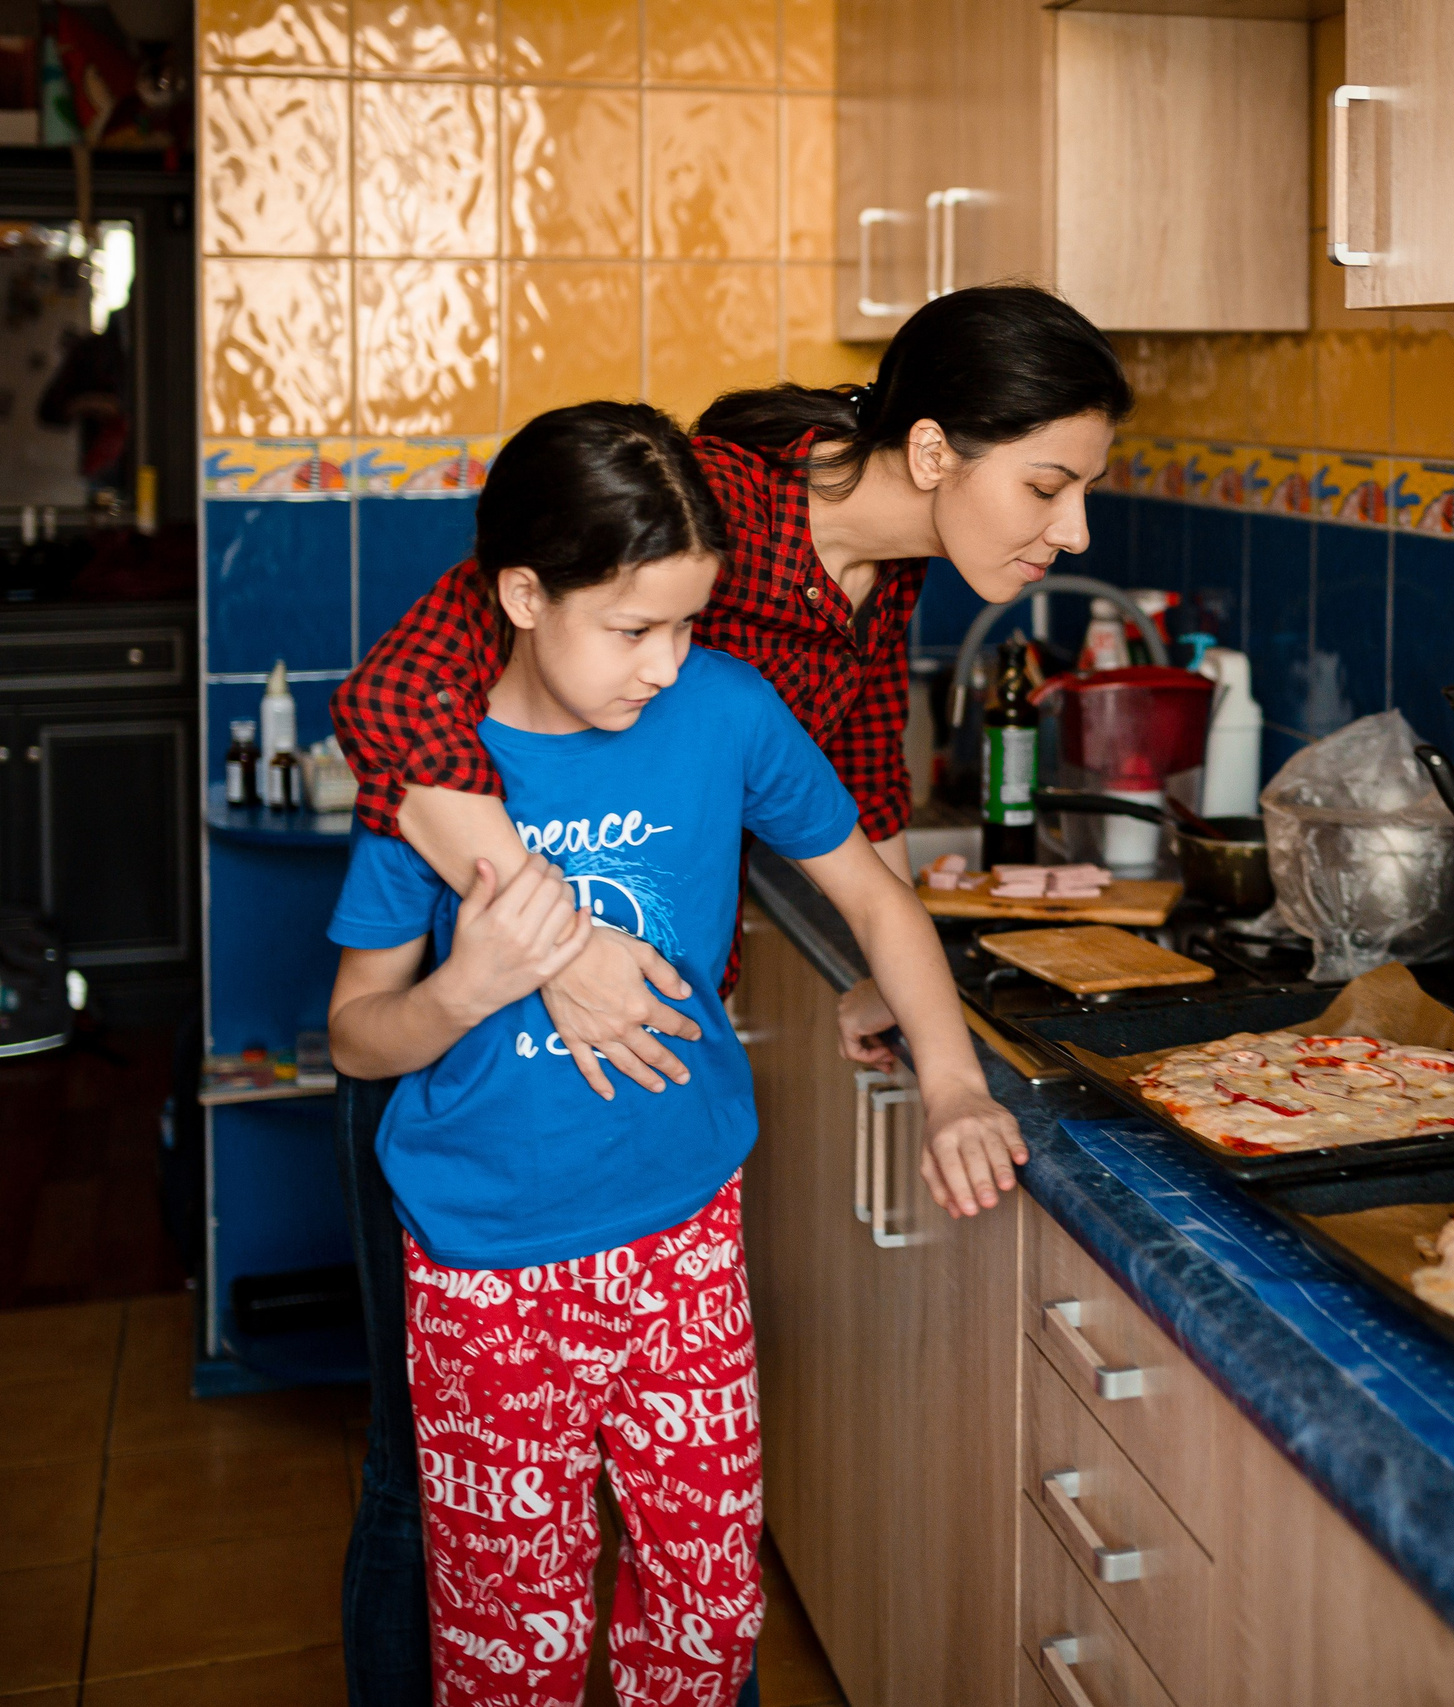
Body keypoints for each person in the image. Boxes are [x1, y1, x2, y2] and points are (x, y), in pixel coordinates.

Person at [327, 286, 1129, 1704]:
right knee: (444, 1519)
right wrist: (551, 949)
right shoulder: (701, 510)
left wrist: (917, 1009)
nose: (1073, 534)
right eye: (1049, 487)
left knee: (697, 1585)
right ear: (936, 450)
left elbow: (863, 828)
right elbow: (398, 709)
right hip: (478, 1126)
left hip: (657, 1162)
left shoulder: (882, 581)